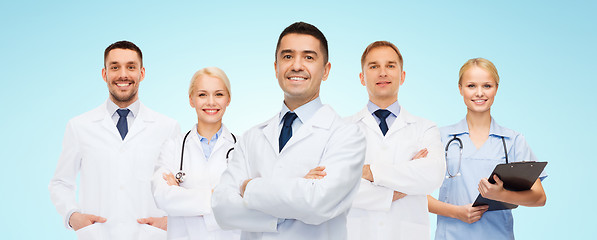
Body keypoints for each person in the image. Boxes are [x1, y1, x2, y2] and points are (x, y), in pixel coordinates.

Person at [211, 22, 366, 240]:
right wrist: (295, 194)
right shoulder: (251, 137)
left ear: (326, 70)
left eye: (309, 57)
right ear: (276, 68)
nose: (296, 65)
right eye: (287, 56)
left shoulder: (347, 135)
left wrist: (249, 187)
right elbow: (222, 209)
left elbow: (317, 203)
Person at [49, 41, 180, 240]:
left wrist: (170, 221)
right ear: (105, 74)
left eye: (131, 67)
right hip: (98, 235)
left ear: (142, 73)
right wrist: (72, 216)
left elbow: (180, 186)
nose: (123, 75)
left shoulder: (167, 127)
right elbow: (60, 182)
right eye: (115, 67)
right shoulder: (79, 126)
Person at [427, 58, 547, 240]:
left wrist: (503, 194)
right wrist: (456, 212)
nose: (479, 93)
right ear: (460, 88)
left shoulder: (513, 141)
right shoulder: (440, 137)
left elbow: (539, 198)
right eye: (471, 86)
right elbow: (413, 194)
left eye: (487, 86)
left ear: (496, 89)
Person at [345, 41, 445, 240]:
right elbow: (336, 187)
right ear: (362, 78)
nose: (383, 73)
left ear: (403, 76)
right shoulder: (342, 129)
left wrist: (367, 171)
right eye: (374, 66)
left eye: (390, 66)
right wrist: (398, 188)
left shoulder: (424, 128)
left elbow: (433, 175)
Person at [152, 67, 240, 240]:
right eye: (202, 95)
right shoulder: (172, 147)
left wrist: (181, 196)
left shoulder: (243, 148)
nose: (211, 102)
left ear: (228, 99)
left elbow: (246, 204)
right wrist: (217, 196)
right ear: (191, 100)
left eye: (219, 94)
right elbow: (162, 197)